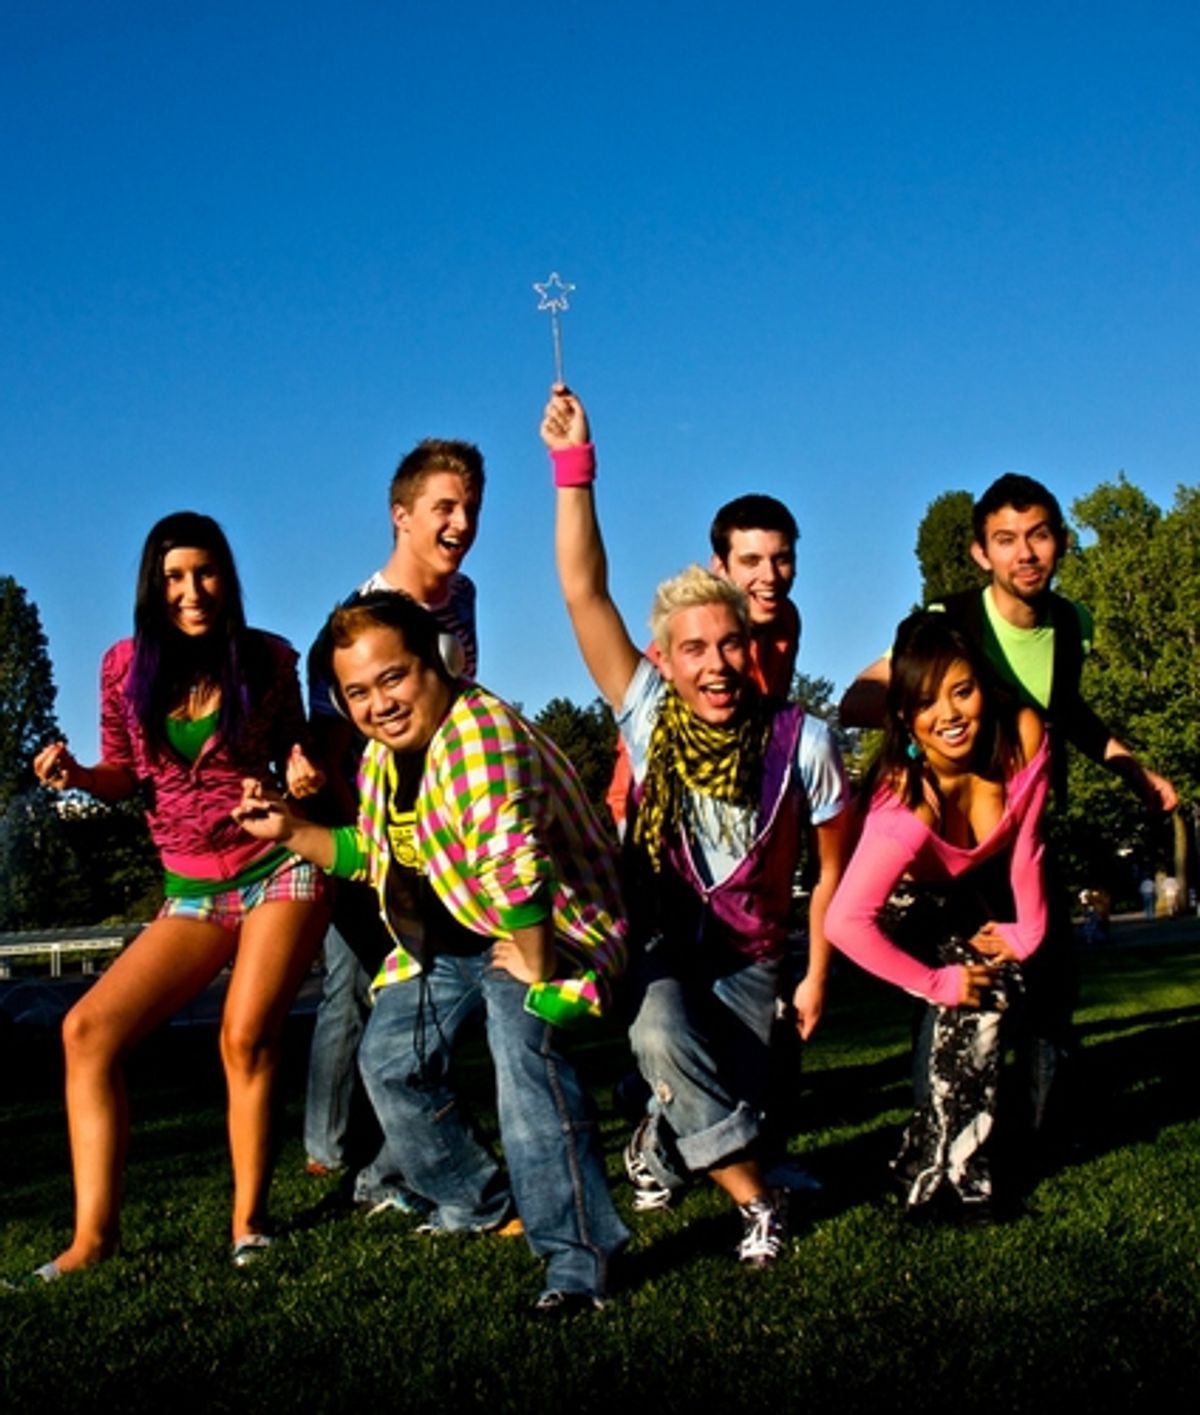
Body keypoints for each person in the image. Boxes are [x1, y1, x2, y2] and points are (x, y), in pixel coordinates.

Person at [235, 592, 629, 1315]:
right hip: (454, 939)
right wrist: (289, 830)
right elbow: (372, 853)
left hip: (543, 928)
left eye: (393, 678)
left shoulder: (476, 738)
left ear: (438, 662)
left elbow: (516, 868)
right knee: (388, 1061)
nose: (378, 703)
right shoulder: (385, 759)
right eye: (357, 691)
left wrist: (539, 966)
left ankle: (579, 1262)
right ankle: (478, 1202)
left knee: (525, 1059)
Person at [542, 384, 849, 1266]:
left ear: (747, 649)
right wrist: (574, 467)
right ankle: (759, 1203)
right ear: (664, 661)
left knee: (735, 1096)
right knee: (660, 1033)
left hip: (755, 953)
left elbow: (830, 869)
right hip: (666, 940)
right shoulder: (645, 713)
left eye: (727, 646)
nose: (713, 664)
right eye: (692, 649)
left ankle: (659, 1144)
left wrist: (815, 975)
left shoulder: (802, 740)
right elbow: (581, 589)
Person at [28, 512, 328, 1279]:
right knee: (86, 1031)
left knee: (243, 1033)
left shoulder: (266, 658)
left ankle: (249, 1223)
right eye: (173, 576)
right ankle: (93, 1238)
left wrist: (299, 777)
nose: (191, 590)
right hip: (190, 889)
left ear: (227, 576)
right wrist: (77, 776)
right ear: (152, 586)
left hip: (275, 867)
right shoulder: (122, 667)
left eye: (205, 572)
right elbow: (125, 773)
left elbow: (298, 751)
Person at [839, 474, 1177, 1143]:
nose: (1025, 552)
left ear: (1060, 542)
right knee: (960, 996)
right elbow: (858, 701)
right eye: (1006, 539)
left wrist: (1133, 768)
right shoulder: (947, 619)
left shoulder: (1071, 622)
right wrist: (953, 725)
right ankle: (940, 1137)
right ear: (979, 553)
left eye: (1039, 535)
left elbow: (1067, 715)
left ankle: (1049, 1127)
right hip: (948, 839)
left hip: (1020, 820)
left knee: (1052, 979)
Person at [302, 438, 483, 1207]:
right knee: (358, 983)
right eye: (444, 506)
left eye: (471, 505)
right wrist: (366, 842)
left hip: (436, 823)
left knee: (417, 989)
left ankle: (394, 1153)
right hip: (364, 821)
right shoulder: (358, 617)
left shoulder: (463, 594)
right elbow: (331, 732)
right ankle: (332, 1149)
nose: (462, 521)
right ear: (401, 515)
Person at [826, 613, 1049, 1220]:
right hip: (896, 907)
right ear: (905, 718)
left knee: (999, 989)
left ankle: (942, 1166)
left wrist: (1026, 933)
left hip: (959, 896)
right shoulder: (907, 803)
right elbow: (846, 922)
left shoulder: (1022, 733)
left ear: (985, 686)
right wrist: (936, 981)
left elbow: (1026, 844)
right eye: (926, 702)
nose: (949, 714)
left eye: (962, 690)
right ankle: (943, 1182)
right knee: (969, 996)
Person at [605, 494, 802, 828]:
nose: (770, 576)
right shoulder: (677, 651)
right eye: (751, 561)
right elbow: (635, 757)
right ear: (720, 568)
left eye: (781, 559)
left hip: (742, 801)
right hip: (663, 818)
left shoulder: (785, 621)